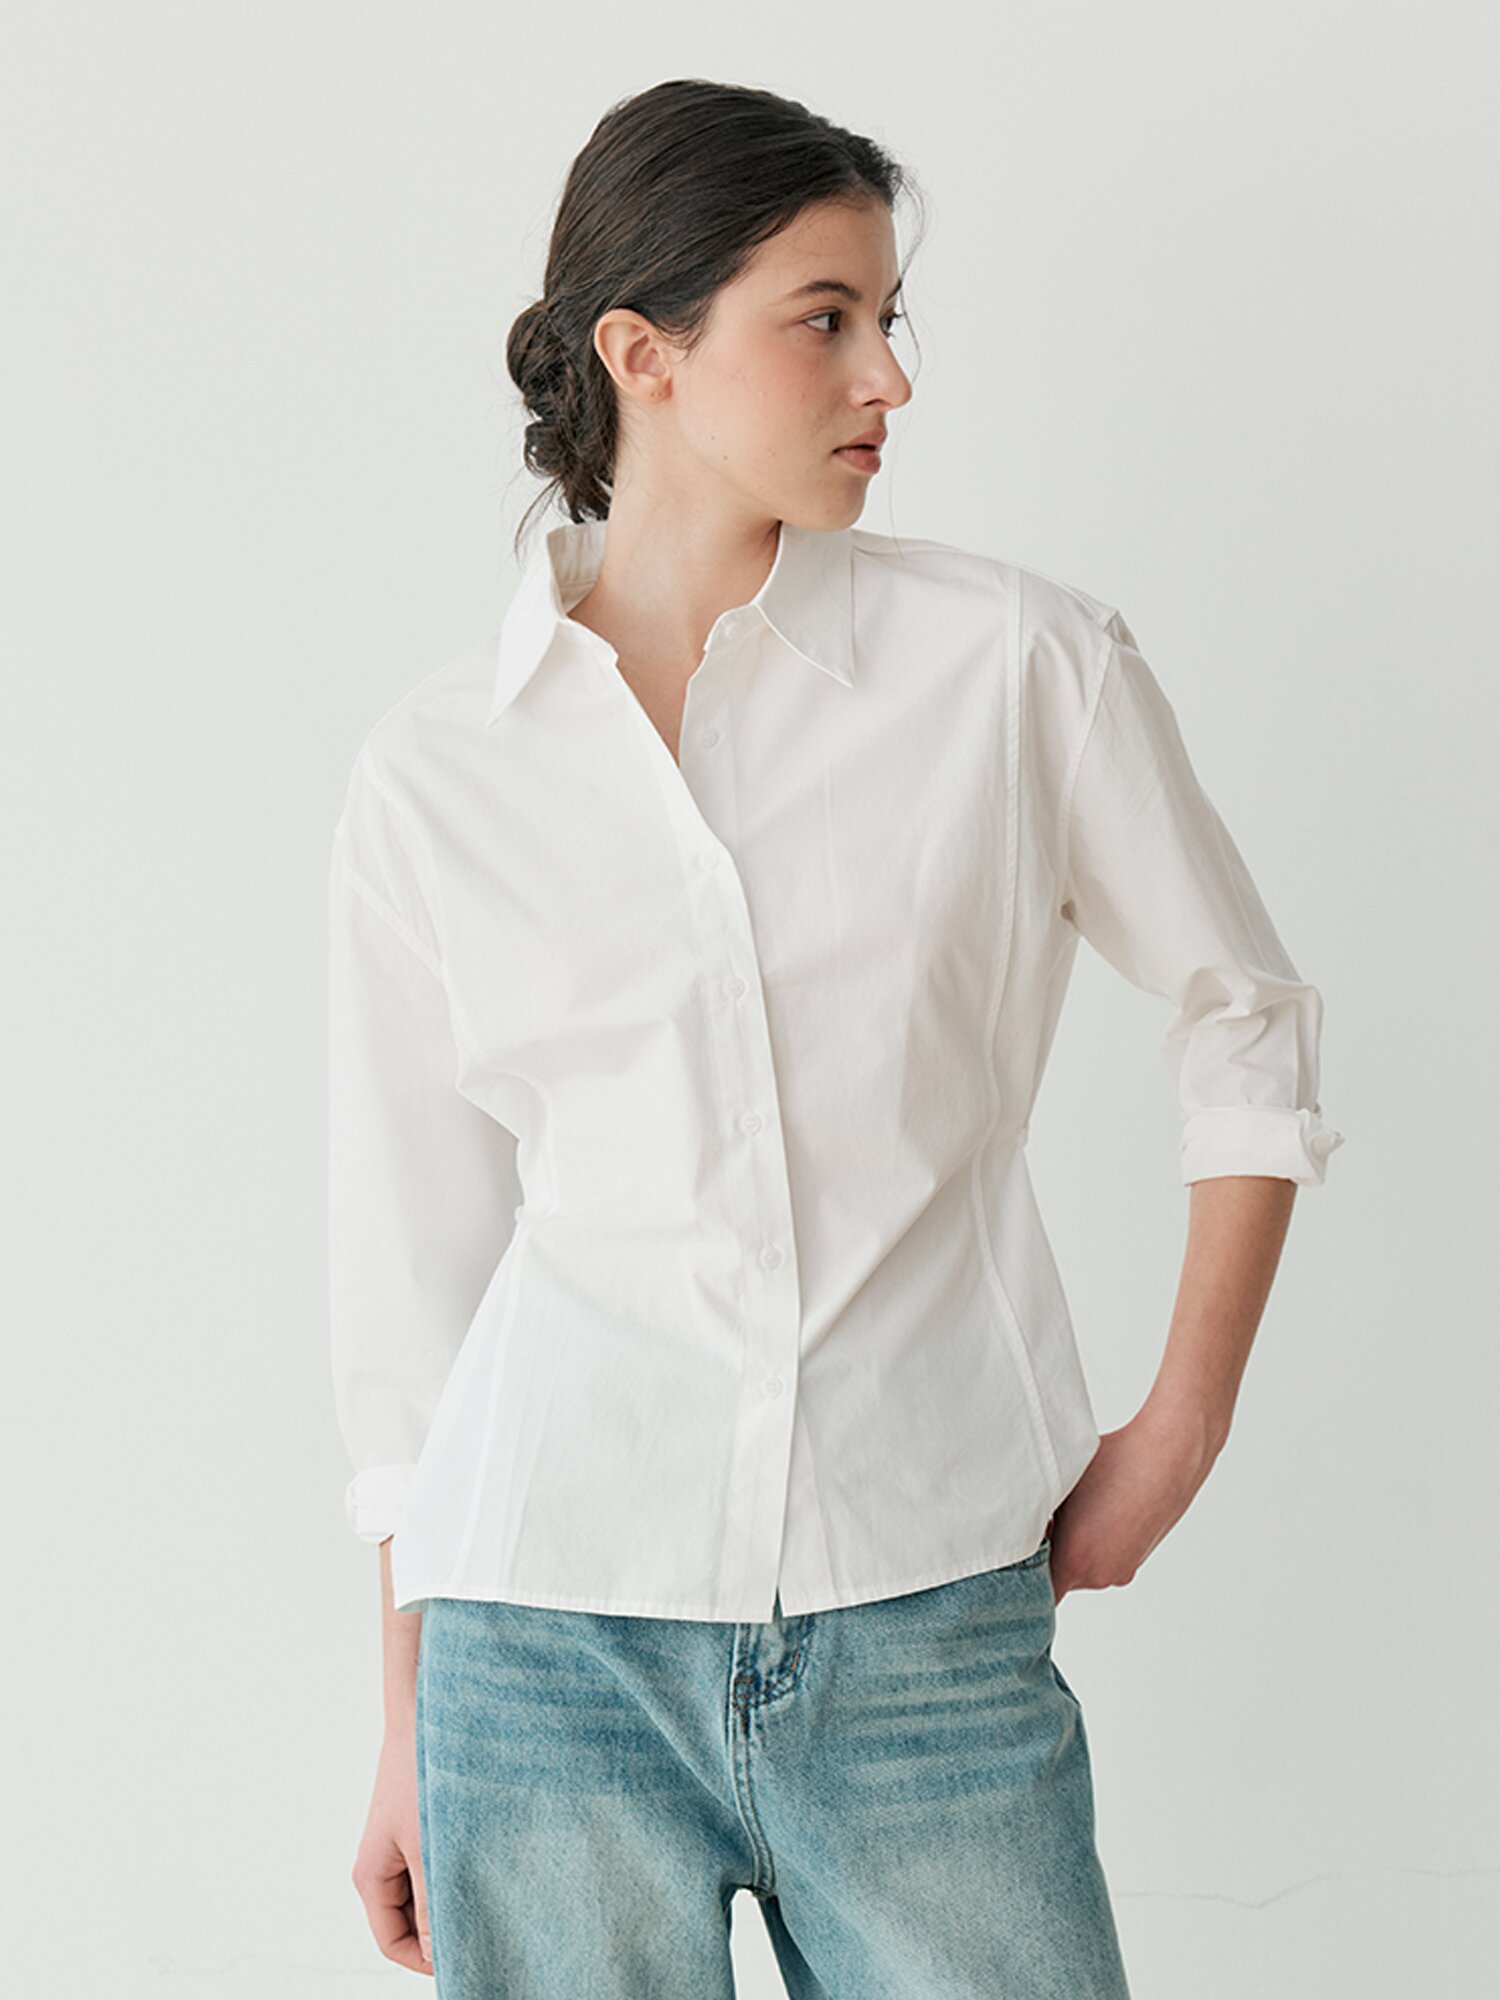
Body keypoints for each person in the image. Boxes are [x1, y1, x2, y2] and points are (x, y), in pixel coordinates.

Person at [330, 77, 1343, 1999]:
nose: (889, 377)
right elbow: (414, 1300)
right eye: (826, 319)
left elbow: (1248, 1021)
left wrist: (1182, 1427)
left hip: (927, 1629)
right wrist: (403, 1715)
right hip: (539, 1649)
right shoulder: (437, 773)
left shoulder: (1018, 667)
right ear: (643, 354)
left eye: (890, 316)